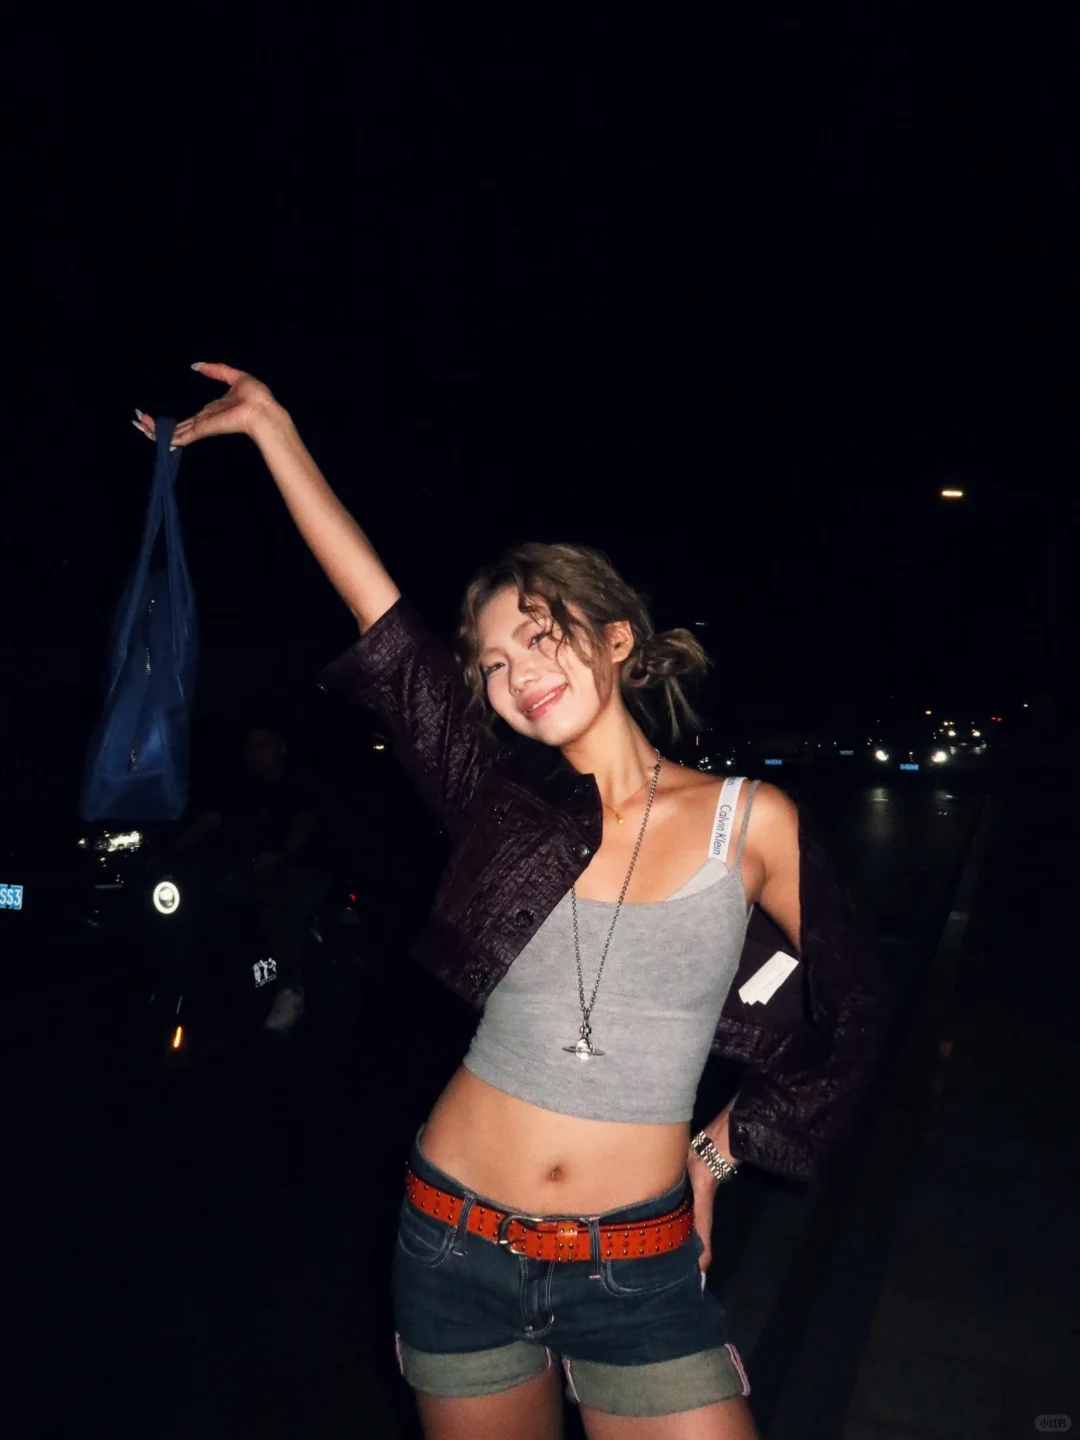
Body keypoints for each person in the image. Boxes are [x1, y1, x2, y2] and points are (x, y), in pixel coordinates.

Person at [134, 365, 887, 1437]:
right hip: (452, 1241)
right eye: (491, 663)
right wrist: (273, 430)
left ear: (616, 636)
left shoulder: (749, 820)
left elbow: (855, 1007)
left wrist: (721, 1152)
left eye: (540, 634)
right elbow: (381, 621)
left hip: (638, 1266)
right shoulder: (500, 806)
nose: (516, 672)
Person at [170, 721, 330, 1034]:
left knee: (278, 913)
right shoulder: (242, 789)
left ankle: (291, 991)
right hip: (253, 870)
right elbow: (211, 819)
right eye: (249, 746)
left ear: (281, 748)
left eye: (262, 744)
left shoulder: (300, 785)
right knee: (204, 899)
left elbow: (304, 822)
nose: (253, 752)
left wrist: (283, 853)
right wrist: (171, 850)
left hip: (304, 869)